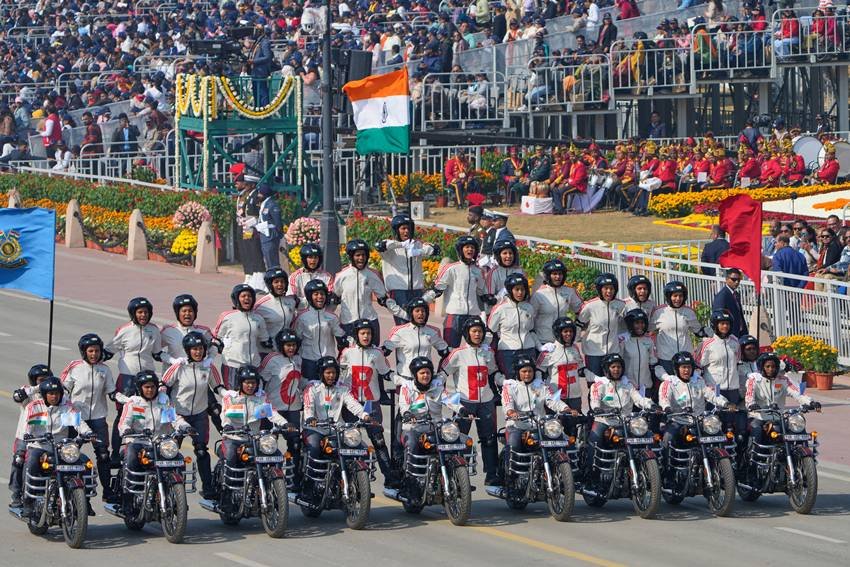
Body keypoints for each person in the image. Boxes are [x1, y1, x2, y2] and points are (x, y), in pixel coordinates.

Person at [60, 334, 126, 501]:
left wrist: (127, 400)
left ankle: (108, 491)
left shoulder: (104, 369)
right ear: (84, 352)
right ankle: (74, 495)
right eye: (91, 351)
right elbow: (62, 390)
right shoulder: (74, 367)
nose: (94, 354)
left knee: (103, 455)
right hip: (75, 418)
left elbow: (112, 392)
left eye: (97, 351)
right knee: (69, 455)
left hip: (98, 416)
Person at [440, 317, 503, 485]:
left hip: (486, 401)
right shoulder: (457, 353)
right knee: (458, 439)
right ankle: (456, 474)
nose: (477, 334)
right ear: (467, 333)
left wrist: (506, 382)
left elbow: (493, 372)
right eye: (474, 331)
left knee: (489, 439)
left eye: (480, 331)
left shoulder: (488, 352)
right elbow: (442, 374)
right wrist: (441, 393)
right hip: (465, 403)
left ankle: (491, 474)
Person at [20, 377, 94, 515]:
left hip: (62, 448)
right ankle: (28, 501)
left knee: (86, 464)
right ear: (44, 394)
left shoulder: (66, 408)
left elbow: (79, 423)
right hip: (39, 445)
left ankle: (85, 502)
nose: (54, 396)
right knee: (31, 462)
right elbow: (28, 425)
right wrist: (28, 435)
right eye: (51, 393)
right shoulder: (35, 406)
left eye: (57, 393)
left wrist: (88, 433)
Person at [161, 333, 222, 499]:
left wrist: (231, 396)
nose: (198, 352)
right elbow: (163, 386)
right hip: (177, 415)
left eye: (201, 348)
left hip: (199, 414)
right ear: (188, 350)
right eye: (194, 349)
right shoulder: (179, 366)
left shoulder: (208, 367)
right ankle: (169, 490)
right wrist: (166, 406)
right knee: (170, 452)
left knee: (202, 451)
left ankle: (208, 488)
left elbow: (218, 388)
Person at [338, 319, 397, 485]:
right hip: (352, 404)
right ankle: (349, 480)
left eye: (369, 333)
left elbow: (386, 373)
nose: (366, 336)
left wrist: (402, 381)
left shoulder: (377, 353)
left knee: (379, 441)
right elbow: (340, 377)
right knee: (350, 442)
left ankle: (389, 477)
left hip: (371, 404)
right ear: (356, 335)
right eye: (363, 333)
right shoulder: (347, 352)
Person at [106, 297, 163, 461]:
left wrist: (176, 361)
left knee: (151, 411)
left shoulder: (154, 330)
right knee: (122, 415)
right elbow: (109, 350)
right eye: (139, 312)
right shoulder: (124, 330)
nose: (143, 315)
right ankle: (115, 453)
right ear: (133, 313)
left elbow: (158, 353)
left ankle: (153, 448)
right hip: (127, 377)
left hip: (148, 377)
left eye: (146, 312)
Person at [500, 354, 571, 473]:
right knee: (514, 445)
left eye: (530, 371)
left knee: (563, 440)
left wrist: (565, 408)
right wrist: (511, 412)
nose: (527, 374)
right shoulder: (510, 387)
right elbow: (507, 403)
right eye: (524, 371)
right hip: (517, 426)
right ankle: (510, 476)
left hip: (540, 426)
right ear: (518, 372)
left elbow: (552, 400)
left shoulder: (540, 385)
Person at [658, 352, 731, 467]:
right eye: (683, 367)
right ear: (677, 368)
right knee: (668, 437)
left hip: (699, 420)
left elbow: (711, 394)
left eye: (689, 367)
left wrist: (725, 402)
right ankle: (666, 469)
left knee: (719, 433)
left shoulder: (698, 381)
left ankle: (723, 467)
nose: (686, 370)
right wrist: (667, 408)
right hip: (678, 420)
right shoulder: (669, 383)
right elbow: (664, 398)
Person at [586, 354, 656, 471]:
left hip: (626, 422)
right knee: (594, 439)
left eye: (618, 367)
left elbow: (638, 399)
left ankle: (653, 470)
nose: (616, 370)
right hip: (605, 421)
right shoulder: (599, 385)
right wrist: (598, 409)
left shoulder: (627, 385)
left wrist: (651, 405)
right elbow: (595, 401)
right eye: (613, 367)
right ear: (606, 368)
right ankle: (590, 473)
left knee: (648, 435)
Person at [423, 236, 493, 347]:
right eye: (467, 247)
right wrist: (423, 300)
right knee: (450, 350)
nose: (470, 250)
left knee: (475, 349)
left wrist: (492, 300)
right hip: (455, 315)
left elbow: (482, 293)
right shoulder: (451, 268)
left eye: (472, 248)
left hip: (473, 315)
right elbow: (437, 289)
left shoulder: (478, 271)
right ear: (461, 250)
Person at [331, 239, 402, 343]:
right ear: (351, 256)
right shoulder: (341, 276)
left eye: (364, 255)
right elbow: (334, 300)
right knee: (348, 356)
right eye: (358, 255)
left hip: (369, 321)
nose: (361, 258)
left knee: (373, 355)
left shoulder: (372, 275)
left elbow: (384, 299)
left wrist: (404, 314)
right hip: (348, 322)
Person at [302, 357, 370, 464]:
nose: (331, 376)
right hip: (316, 429)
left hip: (339, 429)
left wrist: (364, 415)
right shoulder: (312, 387)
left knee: (361, 448)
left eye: (334, 372)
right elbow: (308, 406)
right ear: (321, 373)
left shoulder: (342, 389)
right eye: (328, 372)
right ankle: (311, 478)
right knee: (313, 448)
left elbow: (353, 404)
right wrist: (310, 418)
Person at [219, 366, 291, 467]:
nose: (250, 386)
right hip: (234, 437)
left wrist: (285, 423)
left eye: (253, 382)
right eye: (247, 382)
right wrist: (227, 426)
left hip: (255, 438)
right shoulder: (231, 397)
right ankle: (227, 482)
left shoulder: (260, 397)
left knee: (277, 456)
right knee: (230, 457)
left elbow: (271, 413)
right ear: (240, 383)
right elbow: (225, 413)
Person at [745, 353, 819, 449]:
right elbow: (749, 396)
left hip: (778, 417)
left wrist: (810, 402)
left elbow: (797, 393)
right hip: (759, 416)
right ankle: (755, 459)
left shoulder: (783, 380)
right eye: (768, 366)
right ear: (762, 367)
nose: (771, 369)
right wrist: (752, 404)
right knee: (757, 432)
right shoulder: (754, 380)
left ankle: (804, 454)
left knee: (797, 427)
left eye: (774, 366)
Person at [376, 215, 440, 324]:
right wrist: (402, 245)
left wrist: (417, 251)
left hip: (416, 291)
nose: (407, 231)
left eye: (409, 228)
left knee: (419, 324)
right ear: (396, 230)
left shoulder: (416, 245)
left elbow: (434, 249)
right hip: (399, 292)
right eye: (403, 228)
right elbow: (380, 245)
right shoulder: (391, 248)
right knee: (403, 324)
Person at [214, 284, 272, 389]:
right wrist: (219, 347)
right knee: (234, 397)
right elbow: (216, 338)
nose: (247, 298)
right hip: (233, 364)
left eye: (249, 296)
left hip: (253, 364)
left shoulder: (258, 318)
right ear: (236, 298)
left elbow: (265, 339)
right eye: (243, 296)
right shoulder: (227, 316)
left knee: (252, 397)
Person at [9, 365, 51, 508]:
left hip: (47, 438)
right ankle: (16, 494)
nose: (44, 383)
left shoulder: (53, 394)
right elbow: (18, 395)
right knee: (19, 460)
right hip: (25, 436)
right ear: (34, 381)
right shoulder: (29, 392)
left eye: (47, 380)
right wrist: (39, 387)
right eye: (41, 380)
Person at [383, 298, 450, 382]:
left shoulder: (433, 331)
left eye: (423, 311)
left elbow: (447, 353)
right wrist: (389, 374)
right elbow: (382, 353)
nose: (420, 313)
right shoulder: (400, 331)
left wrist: (442, 375)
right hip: (406, 378)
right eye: (417, 311)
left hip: (426, 378)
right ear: (411, 313)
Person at [398, 357, 450, 461]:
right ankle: (411, 476)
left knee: (457, 440)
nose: (426, 375)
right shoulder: (407, 387)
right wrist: (408, 414)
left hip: (436, 427)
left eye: (428, 372)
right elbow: (404, 405)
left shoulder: (438, 385)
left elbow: (450, 399)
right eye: (422, 373)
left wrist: (462, 409)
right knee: (412, 444)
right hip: (413, 427)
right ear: (415, 375)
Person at [488, 273, 538, 376]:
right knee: (510, 383)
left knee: (529, 382)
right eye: (517, 289)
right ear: (510, 290)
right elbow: (491, 329)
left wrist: (540, 347)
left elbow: (531, 329)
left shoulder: (529, 308)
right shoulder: (500, 309)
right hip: (508, 352)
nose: (520, 293)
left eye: (523, 289)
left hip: (528, 349)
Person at [651, 281, 705, 374]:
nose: (678, 299)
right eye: (675, 296)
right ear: (668, 296)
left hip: (685, 358)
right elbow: (648, 330)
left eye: (680, 296)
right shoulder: (659, 312)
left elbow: (698, 331)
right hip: (665, 358)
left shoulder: (689, 311)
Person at [577, 273, 626, 376]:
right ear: (600, 289)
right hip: (593, 351)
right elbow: (579, 324)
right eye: (606, 288)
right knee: (595, 384)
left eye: (612, 288)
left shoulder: (621, 305)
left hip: (613, 350)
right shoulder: (590, 306)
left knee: (612, 383)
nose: (609, 291)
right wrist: (572, 344)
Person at [537, 317, 585, 420]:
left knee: (574, 427)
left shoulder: (575, 348)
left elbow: (581, 369)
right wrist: (543, 390)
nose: (569, 334)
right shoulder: (549, 350)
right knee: (555, 428)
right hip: (556, 395)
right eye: (565, 331)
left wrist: (597, 378)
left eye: (571, 331)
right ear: (558, 332)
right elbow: (538, 372)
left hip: (575, 395)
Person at [531, 259, 583, 344]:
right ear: (548, 275)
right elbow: (530, 318)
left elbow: (582, 310)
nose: (558, 277)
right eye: (554, 274)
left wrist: (577, 328)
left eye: (560, 274)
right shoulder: (538, 294)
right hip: (543, 341)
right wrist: (537, 343)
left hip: (563, 341)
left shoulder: (569, 291)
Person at [160, 294, 217, 372]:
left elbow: (213, 347)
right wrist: (171, 360)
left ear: (195, 313)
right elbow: (156, 350)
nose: (187, 314)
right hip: (173, 375)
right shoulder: (168, 330)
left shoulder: (204, 331)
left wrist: (210, 359)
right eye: (184, 311)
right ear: (178, 313)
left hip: (196, 375)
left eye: (190, 311)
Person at [232, 164, 266, 291]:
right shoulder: (244, 195)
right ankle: (250, 274)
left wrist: (250, 223)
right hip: (244, 226)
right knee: (246, 251)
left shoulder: (254, 196)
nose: (244, 186)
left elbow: (256, 214)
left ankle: (258, 278)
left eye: (246, 184)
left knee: (254, 251)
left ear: (252, 185)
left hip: (251, 227)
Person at [620, 309, 658, 400]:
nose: (640, 326)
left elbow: (653, 362)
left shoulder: (649, 341)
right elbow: (618, 363)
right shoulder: (623, 341)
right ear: (630, 324)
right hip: (628, 387)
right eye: (637, 323)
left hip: (646, 387)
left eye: (642, 323)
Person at [254, 268, 298, 341]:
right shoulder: (261, 306)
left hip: (286, 348)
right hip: (267, 349)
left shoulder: (291, 301)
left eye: (282, 281)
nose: (280, 284)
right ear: (270, 284)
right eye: (276, 282)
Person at [289, 243, 333, 308]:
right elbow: (292, 299)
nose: (313, 260)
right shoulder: (295, 277)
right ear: (304, 259)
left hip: (322, 314)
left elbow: (330, 298)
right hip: (301, 314)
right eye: (310, 257)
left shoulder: (327, 276)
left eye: (315, 257)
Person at [711, 268, 748, 338]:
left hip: (739, 334)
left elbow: (740, 315)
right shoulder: (722, 296)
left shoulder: (736, 294)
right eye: (734, 279)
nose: (736, 282)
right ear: (727, 279)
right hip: (728, 336)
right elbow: (717, 318)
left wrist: (744, 333)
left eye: (738, 280)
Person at [256, 184, 283, 271]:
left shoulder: (272, 205)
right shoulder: (264, 204)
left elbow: (277, 222)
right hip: (264, 235)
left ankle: (275, 277)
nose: (258, 196)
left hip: (270, 236)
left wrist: (277, 234)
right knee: (268, 259)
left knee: (272, 260)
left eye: (259, 193)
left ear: (264, 194)